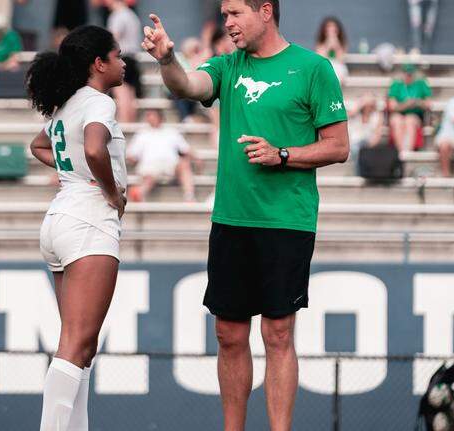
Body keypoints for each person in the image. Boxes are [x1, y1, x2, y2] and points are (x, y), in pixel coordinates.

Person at [142, 1, 350, 429]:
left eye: (236, 13)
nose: (228, 23)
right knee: (228, 334)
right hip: (231, 219)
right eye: (224, 15)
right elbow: (188, 85)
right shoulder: (227, 66)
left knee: (277, 334)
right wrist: (167, 60)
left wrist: (283, 154)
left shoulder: (314, 68)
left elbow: (338, 145)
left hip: (286, 221)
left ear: (266, 11)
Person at [25, 25, 127, 430]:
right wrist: (112, 192)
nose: (123, 63)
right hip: (88, 220)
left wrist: (75, 172)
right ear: (98, 63)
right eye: (117, 55)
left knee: (82, 347)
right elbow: (93, 148)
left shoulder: (65, 104)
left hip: (59, 219)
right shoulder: (99, 102)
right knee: (75, 345)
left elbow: (39, 146)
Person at [126, 108, 197, 202]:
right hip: (150, 166)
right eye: (148, 116)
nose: (150, 119)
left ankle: (189, 196)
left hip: (171, 165)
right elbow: (131, 154)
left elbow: (185, 149)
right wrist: (132, 159)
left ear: (160, 117)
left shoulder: (172, 132)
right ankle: (139, 193)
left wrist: (196, 158)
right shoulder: (142, 134)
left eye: (152, 116)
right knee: (149, 176)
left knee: (184, 164)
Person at [106, 0, 142, 122]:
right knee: (130, 95)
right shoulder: (132, 15)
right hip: (132, 58)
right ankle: (130, 123)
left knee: (121, 94)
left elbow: (112, 39)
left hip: (122, 57)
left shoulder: (118, 15)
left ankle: (125, 125)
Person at [388, 63, 432, 152]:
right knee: (396, 120)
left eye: (410, 74)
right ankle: (401, 153)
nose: (408, 76)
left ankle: (407, 152)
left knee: (409, 120)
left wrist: (416, 102)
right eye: (406, 74)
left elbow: (428, 104)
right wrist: (407, 104)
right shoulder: (397, 84)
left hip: (415, 115)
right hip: (398, 114)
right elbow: (392, 106)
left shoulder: (421, 84)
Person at [347, 95, 385, 173]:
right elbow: (346, 117)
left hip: (368, 142)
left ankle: (361, 172)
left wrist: (368, 147)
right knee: (356, 149)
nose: (368, 107)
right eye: (366, 105)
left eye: (370, 105)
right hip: (354, 142)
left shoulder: (377, 116)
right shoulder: (355, 114)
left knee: (359, 149)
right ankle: (360, 172)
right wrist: (360, 104)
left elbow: (377, 136)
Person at [314, 16, 349, 84]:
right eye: (329, 27)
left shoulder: (342, 42)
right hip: (326, 66)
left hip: (338, 66)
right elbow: (321, 58)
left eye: (333, 28)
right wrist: (328, 44)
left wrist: (336, 44)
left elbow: (341, 59)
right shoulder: (320, 43)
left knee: (338, 72)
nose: (331, 30)